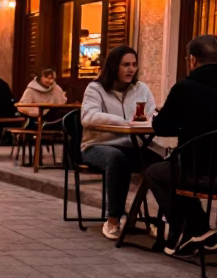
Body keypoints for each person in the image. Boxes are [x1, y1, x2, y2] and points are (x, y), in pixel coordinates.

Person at [81, 45, 162, 241]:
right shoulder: (95, 88)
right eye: (126, 64)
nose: (131, 69)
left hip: (132, 146)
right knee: (117, 159)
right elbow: (88, 117)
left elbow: (152, 114)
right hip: (96, 146)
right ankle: (113, 220)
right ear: (114, 66)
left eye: (134, 65)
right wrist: (125, 123)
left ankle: (166, 221)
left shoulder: (141, 88)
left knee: (161, 164)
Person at [146, 34, 217, 254]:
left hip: (198, 169)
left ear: (193, 60)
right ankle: (197, 232)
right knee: (173, 169)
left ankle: (190, 229)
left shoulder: (185, 87)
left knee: (156, 171)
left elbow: (163, 127)